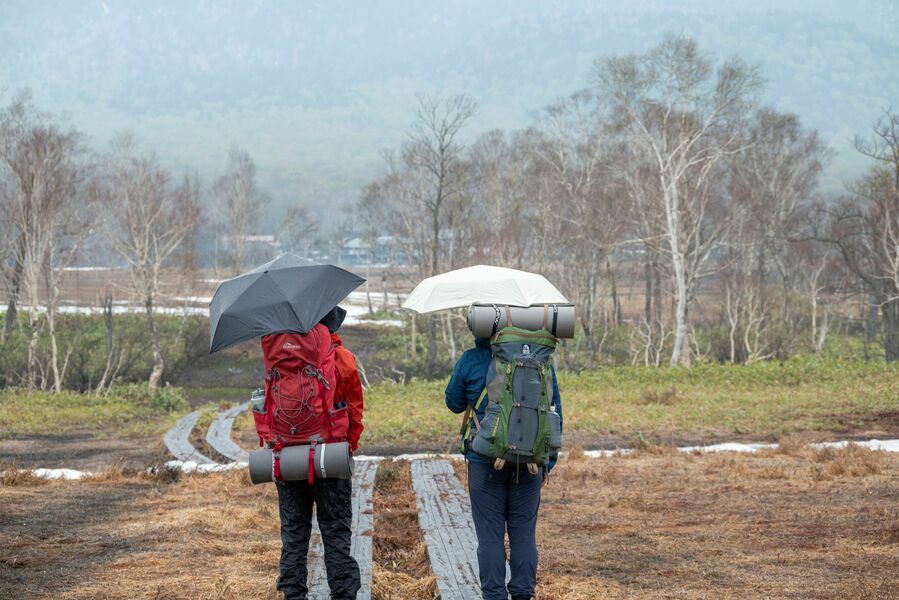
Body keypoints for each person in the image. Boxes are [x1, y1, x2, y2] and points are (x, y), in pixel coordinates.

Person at [445, 336, 562, 600]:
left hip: (483, 463)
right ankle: (523, 594)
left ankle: (494, 596)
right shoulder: (540, 361)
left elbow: (453, 403)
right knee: (523, 537)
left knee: (490, 539)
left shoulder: (472, 359)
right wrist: (547, 464)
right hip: (530, 463)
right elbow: (555, 413)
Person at [275, 307, 364, 600]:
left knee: (293, 536)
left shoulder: (282, 357)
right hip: (330, 457)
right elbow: (354, 412)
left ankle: (293, 594)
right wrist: (347, 447)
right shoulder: (343, 359)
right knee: (337, 535)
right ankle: (343, 594)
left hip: (289, 457)